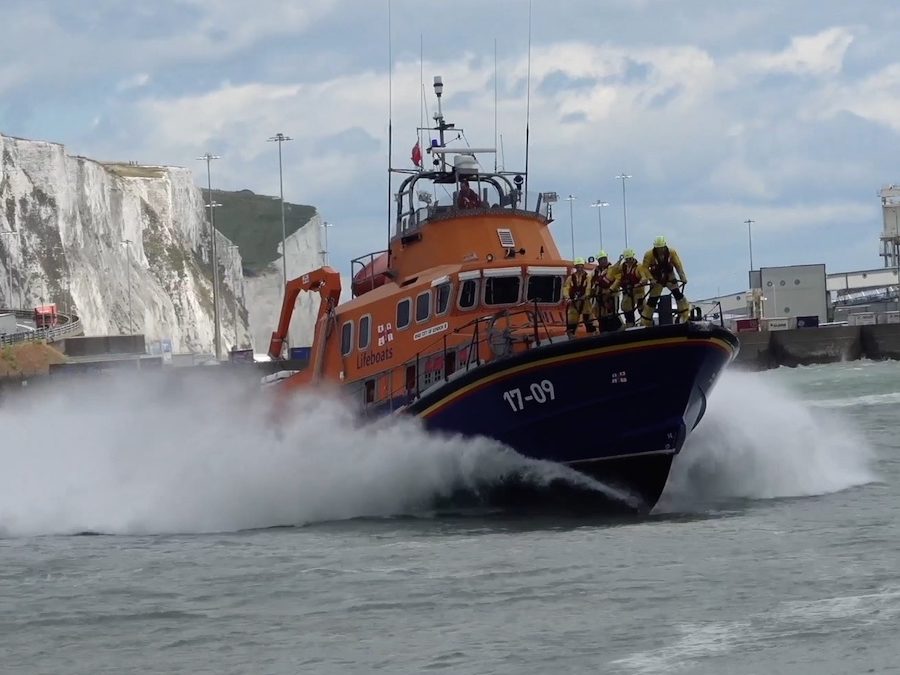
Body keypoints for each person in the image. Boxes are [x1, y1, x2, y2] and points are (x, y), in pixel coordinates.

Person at [640, 236, 689, 326]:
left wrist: (682, 277)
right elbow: (644, 268)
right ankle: (646, 321)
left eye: (661, 248)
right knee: (652, 300)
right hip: (656, 278)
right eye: (658, 248)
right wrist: (651, 279)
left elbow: (678, 265)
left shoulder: (672, 253)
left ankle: (684, 315)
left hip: (669, 276)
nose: (660, 250)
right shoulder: (649, 255)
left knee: (678, 295)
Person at [608, 248, 650, 328]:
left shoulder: (639, 267)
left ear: (633, 257)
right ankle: (630, 325)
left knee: (641, 307)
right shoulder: (623, 266)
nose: (629, 261)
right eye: (626, 259)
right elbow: (612, 272)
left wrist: (639, 283)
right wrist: (619, 261)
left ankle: (645, 324)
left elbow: (644, 278)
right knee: (626, 308)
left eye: (630, 259)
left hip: (638, 292)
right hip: (627, 292)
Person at [564, 258, 596, 337]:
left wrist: (586, 295)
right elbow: (566, 288)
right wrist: (567, 298)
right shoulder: (570, 278)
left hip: (585, 302)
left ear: (583, 266)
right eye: (577, 266)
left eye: (580, 266)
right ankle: (571, 336)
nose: (579, 268)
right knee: (572, 320)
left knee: (588, 318)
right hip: (574, 302)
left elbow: (588, 287)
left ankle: (592, 336)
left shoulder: (588, 277)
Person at [590, 250, 622, 332]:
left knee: (612, 313)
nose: (603, 261)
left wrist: (611, 289)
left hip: (611, 295)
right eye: (601, 259)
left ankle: (616, 329)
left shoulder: (613, 269)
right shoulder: (595, 271)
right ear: (598, 261)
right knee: (600, 314)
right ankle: (603, 330)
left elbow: (618, 280)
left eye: (604, 258)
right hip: (599, 296)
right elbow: (590, 282)